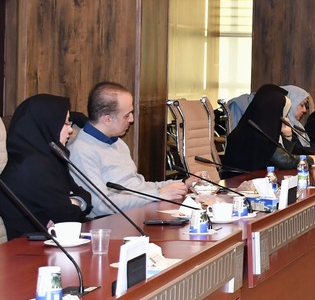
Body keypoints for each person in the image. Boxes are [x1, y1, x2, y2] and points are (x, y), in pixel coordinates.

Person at [70, 82, 189, 216]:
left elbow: (138, 187)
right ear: (107, 119)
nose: (132, 119)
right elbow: (101, 205)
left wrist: (183, 184)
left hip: (138, 213)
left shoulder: (117, 142)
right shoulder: (81, 151)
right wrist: (157, 195)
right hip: (113, 222)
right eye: (127, 115)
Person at [0, 94, 92, 239]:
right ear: (47, 125)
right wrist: (73, 202)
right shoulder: (30, 168)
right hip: (28, 248)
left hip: (55, 243)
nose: (70, 130)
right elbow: (68, 216)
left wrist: (74, 202)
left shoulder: (49, 160)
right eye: (66, 123)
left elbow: (85, 196)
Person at [223, 84, 303, 172]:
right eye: (280, 113)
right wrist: (309, 159)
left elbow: (285, 158)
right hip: (239, 180)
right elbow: (284, 161)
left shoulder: (256, 128)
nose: (284, 118)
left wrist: (288, 136)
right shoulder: (258, 133)